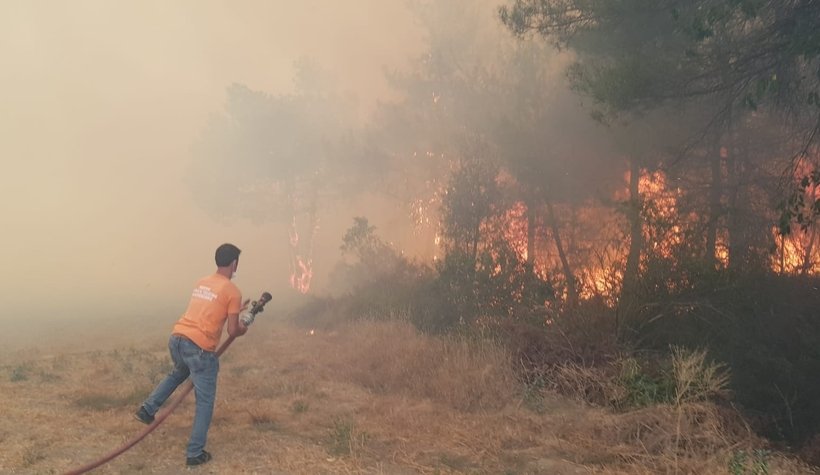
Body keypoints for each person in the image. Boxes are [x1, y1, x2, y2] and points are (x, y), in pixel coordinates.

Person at [134, 243, 247, 467]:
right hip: (199, 348)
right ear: (234, 263)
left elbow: (208, 308)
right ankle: (195, 453)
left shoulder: (202, 282)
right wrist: (243, 327)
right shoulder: (232, 291)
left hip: (178, 339)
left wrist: (234, 310)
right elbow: (233, 331)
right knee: (205, 402)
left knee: (178, 372)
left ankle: (147, 409)